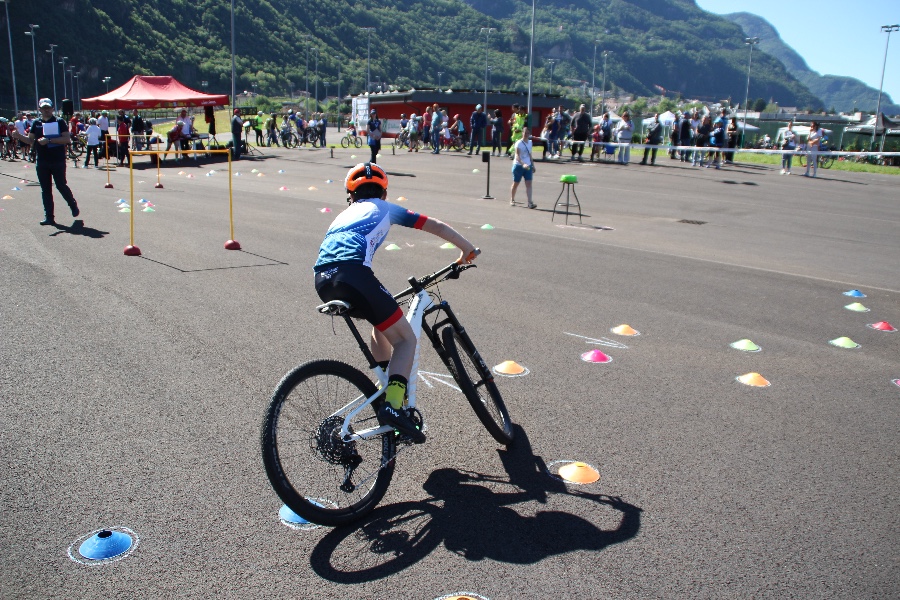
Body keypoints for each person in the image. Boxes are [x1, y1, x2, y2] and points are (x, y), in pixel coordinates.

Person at [313, 162, 478, 442]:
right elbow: (434, 225)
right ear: (384, 194)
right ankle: (392, 404)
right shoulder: (385, 208)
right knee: (406, 340)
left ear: (350, 196)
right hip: (354, 275)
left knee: (382, 324)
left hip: (322, 279)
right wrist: (466, 249)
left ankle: (384, 388)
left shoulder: (342, 214)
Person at [11, 99, 79, 226]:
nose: (46, 110)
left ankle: (72, 204)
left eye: (48, 107)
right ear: (40, 109)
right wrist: (19, 136)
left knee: (61, 185)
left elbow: (66, 139)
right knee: (45, 189)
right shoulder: (36, 123)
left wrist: (49, 140)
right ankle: (49, 217)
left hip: (58, 160)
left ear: (53, 108)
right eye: (44, 108)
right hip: (42, 160)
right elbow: (31, 140)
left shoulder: (59, 121)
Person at [510, 127, 537, 209]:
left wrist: (532, 165)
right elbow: (517, 156)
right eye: (525, 133)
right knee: (516, 183)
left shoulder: (530, 142)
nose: (526, 135)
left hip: (528, 165)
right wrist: (523, 164)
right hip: (518, 165)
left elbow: (530, 154)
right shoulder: (518, 143)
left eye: (528, 133)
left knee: (529, 183)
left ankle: (530, 202)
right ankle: (512, 199)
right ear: (522, 133)